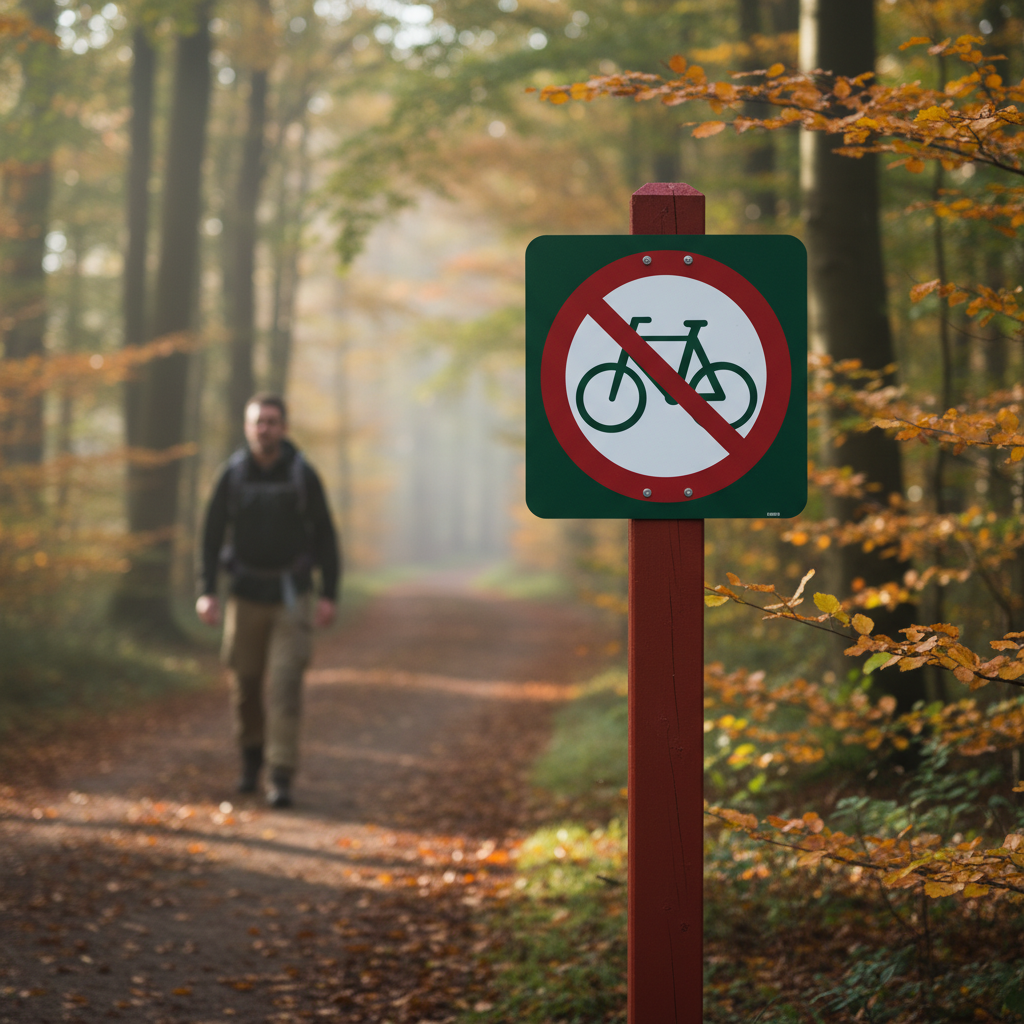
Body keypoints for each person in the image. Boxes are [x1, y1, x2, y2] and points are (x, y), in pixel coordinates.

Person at [196, 394, 340, 808]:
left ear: (284, 427)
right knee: (244, 685)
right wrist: (206, 590)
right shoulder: (233, 475)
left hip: (292, 598)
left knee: (285, 685)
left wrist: (329, 593)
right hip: (243, 596)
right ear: (247, 427)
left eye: (272, 422)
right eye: (258, 422)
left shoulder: (302, 475)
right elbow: (210, 535)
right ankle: (250, 761)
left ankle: (280, 774)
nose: (265, 429)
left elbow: (326, 535)